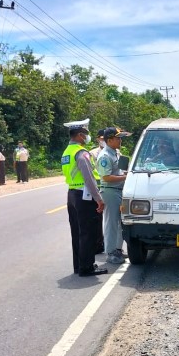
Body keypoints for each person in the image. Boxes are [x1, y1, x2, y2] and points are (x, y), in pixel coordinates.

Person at [61, 118, 108, 277]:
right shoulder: (81, 153)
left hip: (72, 194)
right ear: (80, 135)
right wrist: (99, 199)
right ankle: (87, 267)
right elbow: (89, 178)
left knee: (77, 232)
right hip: (84, 195)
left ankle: (79, 265)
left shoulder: (67, 152)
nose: (86, 138)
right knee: (88, 232)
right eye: (85, 135)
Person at [97, 126, 132, 264]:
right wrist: (126, 177)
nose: (120, 140)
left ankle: (117, 249)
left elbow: (118, 172)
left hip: (118, 191)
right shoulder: (105, 155)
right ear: (110, 140)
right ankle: (110, 252)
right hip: (110, 191)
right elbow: (106, 177)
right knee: (111, 223)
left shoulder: (115, 152)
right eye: (118, 138)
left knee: (120, 222)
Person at [89, 129, 106, 254]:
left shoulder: (116, 151)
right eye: (101, 138)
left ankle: (111, 244)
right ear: (98, 139)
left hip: (111, 187)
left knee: (111, 218)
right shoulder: (92, 153)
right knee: (96, 218)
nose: (103, 140)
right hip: (97, 187)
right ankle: (98, 243)